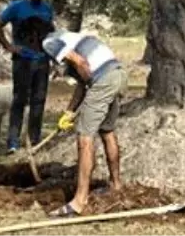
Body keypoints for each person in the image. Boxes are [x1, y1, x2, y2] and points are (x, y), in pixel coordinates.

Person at [41, 29, 128, 218]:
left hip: (103, 79)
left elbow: (80, 63)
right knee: (107, 131)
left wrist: (93, 84)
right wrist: (69, 112)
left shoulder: (48, 43)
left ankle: (79, 201)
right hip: (118, 74)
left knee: (84, 137)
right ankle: (116, 185)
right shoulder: (76, 38)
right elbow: (82, 84)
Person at [0, 0, 55, 153]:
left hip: (42, 61)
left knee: (39, 100)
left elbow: (51, 34)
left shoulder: (47, 10)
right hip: (23, 61)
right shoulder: (16, 7)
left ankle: (34, 141)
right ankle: (13, 142)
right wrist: (8, 46)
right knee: (19, 100)